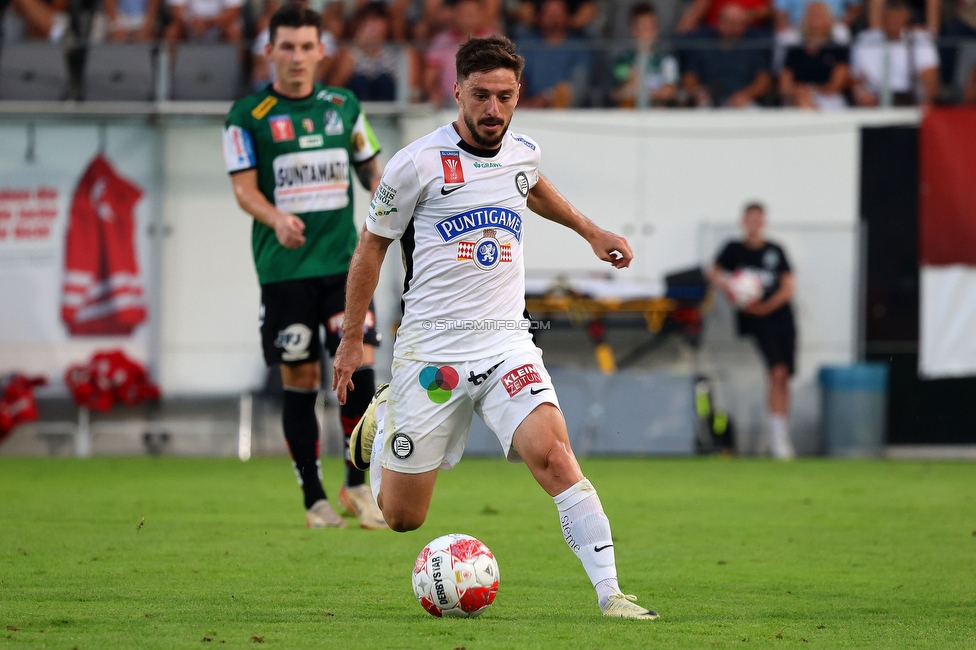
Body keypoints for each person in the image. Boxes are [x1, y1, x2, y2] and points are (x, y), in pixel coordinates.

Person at [332, 34, 658, 619]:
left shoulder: (522, 151)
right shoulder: (414, 164)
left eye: (504, 97)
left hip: (506, 341)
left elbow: (531, 186)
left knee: (555, 457)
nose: (493, 110)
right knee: (403, 517)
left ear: (517, 95)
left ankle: (612, 594)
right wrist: (353, 338)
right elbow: (370, 251)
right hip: (431, 351)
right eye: (480, 96)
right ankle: (381, 427)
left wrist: (592, 232)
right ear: (456, 91)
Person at [223, 2, 387, 530]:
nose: (296, 56)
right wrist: (275, 218)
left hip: (346, 269)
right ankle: (315, 498)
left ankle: (357, 486)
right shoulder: (247, 116)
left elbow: (371, 171)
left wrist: (395, 207)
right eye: (286, 46)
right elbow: (244, 190)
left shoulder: (344, 105)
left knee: (358, 370)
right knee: (302, 377)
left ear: (322, 51)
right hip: (285, 270)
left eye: (306, 46)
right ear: (269, 51)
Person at [709, 202, 796, 460]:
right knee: (776, 370)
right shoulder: (733, 250)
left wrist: (766, 306)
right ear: (743, 221)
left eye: (759, 219)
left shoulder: (775, 251)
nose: (754, 224)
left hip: (779, 317)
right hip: (755, 321)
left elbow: (788, 286)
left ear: (764, 222)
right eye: (750, 219)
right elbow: (714, 273)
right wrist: (730, 288)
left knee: (783, 375)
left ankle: (780, 433)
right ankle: (779, 441)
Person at [680, 3, 772, 107]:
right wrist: (698, 91)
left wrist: (746, 95)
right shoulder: (703, 45)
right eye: (728, 22)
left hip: (743, 102)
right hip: (707, 101)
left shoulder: (752, 47)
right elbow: (689, 76)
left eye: (736, 23)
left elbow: (763, 80)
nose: (731, 27)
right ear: (718, 22)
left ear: (744, 25)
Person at [850, 0, 939, 107]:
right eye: (889, 18)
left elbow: (930, 76)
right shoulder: (865, 41)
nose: (893, 22)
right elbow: (856, 77)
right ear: (882, 18)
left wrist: (926, 101)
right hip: (874, 101)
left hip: (910, 101)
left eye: (897, 18)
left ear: (906, 19)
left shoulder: (920, 40)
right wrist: (861, 95)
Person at [518, 0, 592, 108]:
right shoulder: (527, 45)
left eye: (558, 14)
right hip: (529, 109)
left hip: (567, 111)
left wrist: (548, 97)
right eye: (549, 13)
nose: (554, 18)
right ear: (539, 16)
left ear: (567, 16)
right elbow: (518, 77)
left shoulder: (578, 47)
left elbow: (579, 82)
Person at [424, 0, 495, 107]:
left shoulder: (494, 41)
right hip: (449, 103)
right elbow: (430, 76)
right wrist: (434, 93)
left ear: (482, 14)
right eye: (464, 13)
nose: (468, 17)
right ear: (454, 14)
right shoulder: (441, 41)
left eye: (472, 13)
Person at [779, 1, 850, 109]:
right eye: (811, 15)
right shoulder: (795, 51)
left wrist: (813, 91)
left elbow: (837, 84)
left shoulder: (837, 49)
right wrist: (797, 93)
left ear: (828, 19)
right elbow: (784, 85)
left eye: (819, 15)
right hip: (797, 99)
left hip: (828, 98)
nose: (815, 18)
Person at [611, 2, 680, 107]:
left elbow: (669, 92)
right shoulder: (623, 60)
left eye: (649, 28)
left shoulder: (667, 60)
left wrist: (639, 90)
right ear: (633, 30)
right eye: (641, 28)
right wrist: (655, 92)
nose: (645, 33)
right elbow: (620, 93)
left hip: (660, 115)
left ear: (656, 30)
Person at [164, 0, 243, 42]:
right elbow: (176, 11)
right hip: (189, 27)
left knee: (233, 31)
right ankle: (168, 71)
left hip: (219, 27)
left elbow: (233, 12)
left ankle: (237, 70)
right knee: (172, 32)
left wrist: (209, 22)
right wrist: (190, 22)